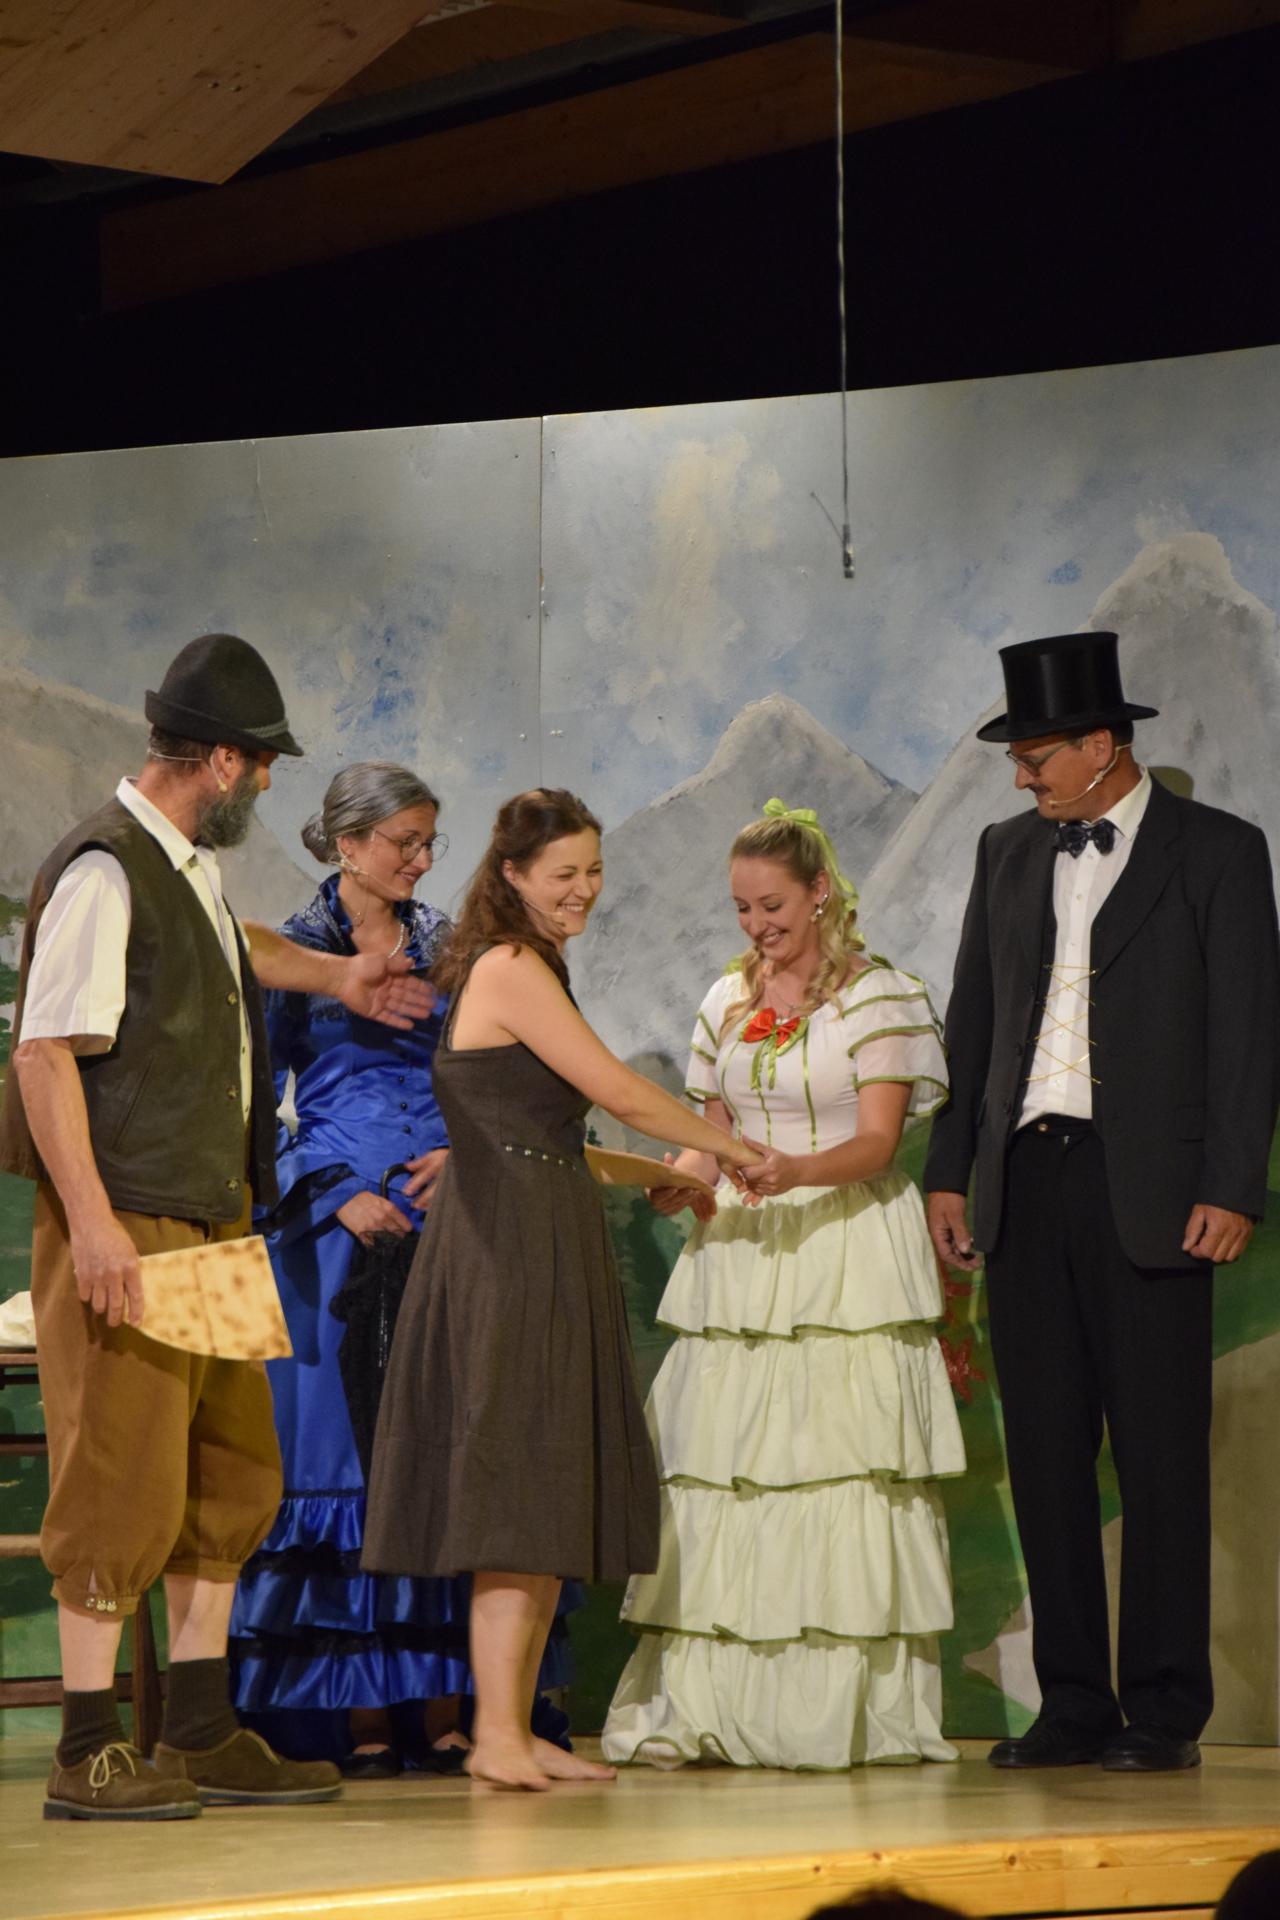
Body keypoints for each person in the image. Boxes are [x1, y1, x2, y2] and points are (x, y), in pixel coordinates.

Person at [0, 635, 435, 1823]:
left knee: (227, 1468)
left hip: (212, 1215)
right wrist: (94, 1228)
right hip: (132, 1214)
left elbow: (237, 949)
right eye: (264, 762)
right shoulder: (105, 868)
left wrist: (339, 980)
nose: (270, 782)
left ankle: (196, 1725)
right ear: (226, 761)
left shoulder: (179, 867)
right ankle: (87, 1749)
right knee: (120, 1472)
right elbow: (43, 1057)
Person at [925, 630, 1280, 1773]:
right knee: (1044, 1453)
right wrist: (947, 1171)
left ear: (1098, 746)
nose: (1019, 779)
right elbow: (971, 1018)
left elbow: (1246, 1029)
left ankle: (1162, 1710)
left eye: (1033, 758)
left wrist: (1230, 1184)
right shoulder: (1003, 852)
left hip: (1154, 1192)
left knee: (1159, 1455)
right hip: (1025, 1179)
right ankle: (1071, 1702)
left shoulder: (1218, 851)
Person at [361, 787, 763, 1791]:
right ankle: (496, 1733)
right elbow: (615, 1090)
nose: (583, 890)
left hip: (535, 1228)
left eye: (592, 871)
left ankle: (510, 1724)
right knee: (514, 1483)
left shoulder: (531, 962)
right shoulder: (510, 965)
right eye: (563, 874)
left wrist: (662, 1173)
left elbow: (547, 1139)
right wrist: (731, 1149)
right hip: (509, 1249)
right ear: (512, 876)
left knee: (539, 1481)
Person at [602, 801, 963, 1771]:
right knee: (732, 1470)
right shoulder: (729, 998)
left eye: (771, 905)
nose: (756, 925)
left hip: (843, 1246)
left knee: (837, 1465)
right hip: (745, 1253)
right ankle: (716, 1702)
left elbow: (877, 1142)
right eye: (741, 908)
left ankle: (832, 1711)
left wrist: (793, 1171)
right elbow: (712, 1128)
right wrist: (684, 1176)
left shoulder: (879, 997)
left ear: (818, 894)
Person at [229, 761, 529, 1774]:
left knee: (452, 1453)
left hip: (448, 1214)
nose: (421, 859)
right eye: (404, 840)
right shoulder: (292, 949)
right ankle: (354, 1716)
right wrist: (325, 1188)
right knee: (344, 1468)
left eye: (429, 840)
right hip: (331, 1225)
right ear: (348, 842)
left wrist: (466, 1153)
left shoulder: (457, 948)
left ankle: (446, 1707)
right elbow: (249, 1101)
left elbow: (496, 1076)